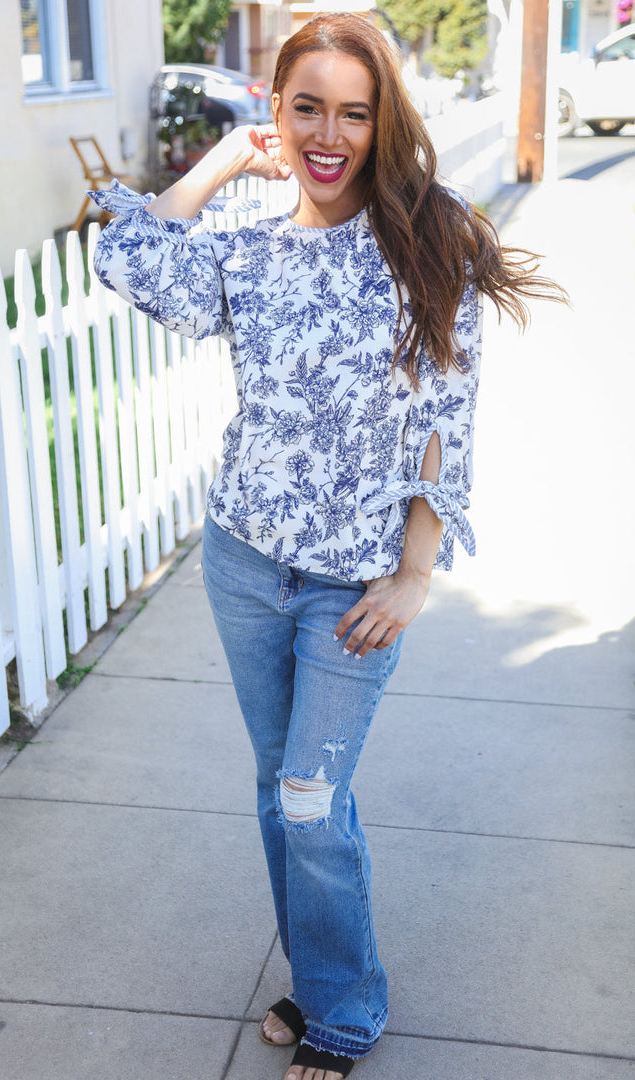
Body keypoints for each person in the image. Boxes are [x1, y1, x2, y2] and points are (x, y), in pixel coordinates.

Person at [90, 14, 566, 1080]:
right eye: (307, 108)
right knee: (282, 789)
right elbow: (127, 254)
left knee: (309, 797)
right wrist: (223, 160)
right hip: (244, 562)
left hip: (350, 585)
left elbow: (448, 417)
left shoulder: (431, 243)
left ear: (383, 122)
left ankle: (346, 1008)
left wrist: (415, 572)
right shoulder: (251, 253)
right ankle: (320, 978)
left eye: (355, 113)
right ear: (277, 112)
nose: (329, 134)